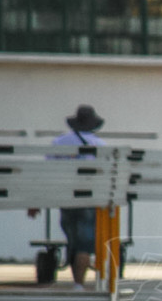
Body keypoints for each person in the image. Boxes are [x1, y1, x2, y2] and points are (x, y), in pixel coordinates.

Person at [28, 104, 106, 290]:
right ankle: (79, 283)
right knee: (85, 242)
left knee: (73, 238)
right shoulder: (100, 145)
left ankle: (77, 280)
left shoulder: (59, 143)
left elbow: (47, 173)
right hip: (90, 199)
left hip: (66, 199)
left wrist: (35, 201)